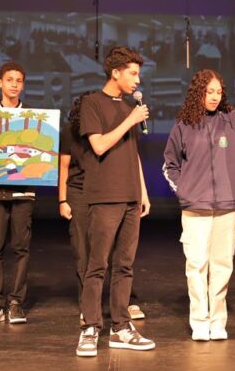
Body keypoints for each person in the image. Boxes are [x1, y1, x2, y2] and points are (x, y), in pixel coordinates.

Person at [162, 69, 235, 341]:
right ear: (198, 93)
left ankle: (217, 322)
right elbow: (170, 164)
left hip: (227, 206)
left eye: (218, 92)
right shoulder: (183, 125)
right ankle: (199, 322)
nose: (215, 97)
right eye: (209, 92)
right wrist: (184, 191)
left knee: (222, 265)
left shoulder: (233, 120)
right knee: (196, 265)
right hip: (195, 207)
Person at [75, 46, 154, 357]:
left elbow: (132, 154)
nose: (137, 80)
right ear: (115, 72)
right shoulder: (92, 103)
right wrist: (130, 120)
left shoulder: (131, 107)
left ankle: (121, 326)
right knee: (97, 265)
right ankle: (90, 327)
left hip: (131, 195)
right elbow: (99, 145)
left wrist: (143, 192)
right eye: (132, 73)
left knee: (125, 266)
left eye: (138, 74)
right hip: (105, 196)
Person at [58, 91, 146, 323]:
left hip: (107, 188)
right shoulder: (70, 132)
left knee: (121, 252)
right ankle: (88, 308)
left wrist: (143, 192)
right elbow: (64, 167)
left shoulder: (114, 126)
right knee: (85, 251)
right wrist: (62, 200)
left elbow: (132, 157)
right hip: (79, 191)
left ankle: (126, 303)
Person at [0, 61, 34, 325]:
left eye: (19, 80)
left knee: (21, 248)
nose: (14, 84)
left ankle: (16, 303)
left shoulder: (33, 119)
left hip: (23, 192)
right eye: (9, 79)